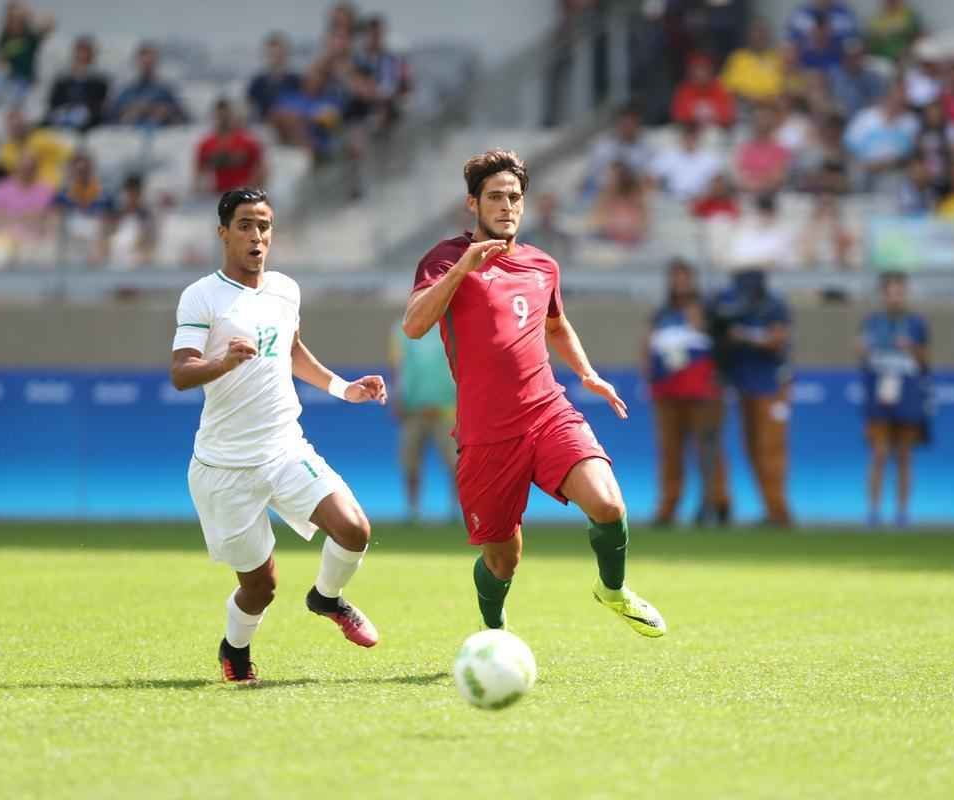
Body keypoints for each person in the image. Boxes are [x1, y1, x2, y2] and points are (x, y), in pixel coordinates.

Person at [402, 149, 666, 636]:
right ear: (473, 204)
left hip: (548, 413)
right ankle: (493, 631)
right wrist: (463, 267)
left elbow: (557, 325)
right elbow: (415, 324)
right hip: (486, 434)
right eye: (496, 197)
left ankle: (613, 590)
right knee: (503, 559)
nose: (507, 207)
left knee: (608, 506)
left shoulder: (542, 264)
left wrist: (587, 373)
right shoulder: (443, 259)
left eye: (515, 198)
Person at [171, 188, 386, 684]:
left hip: (284, 448)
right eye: (245, 225)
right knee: (261, 587)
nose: (256, 236)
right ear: (223, 232)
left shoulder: (285, 290)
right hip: (225, 467)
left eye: (264, 226)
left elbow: (291, 350)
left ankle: (326, 598)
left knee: (354, 528)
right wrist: (221, 362)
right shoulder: (202, 296)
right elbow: (181, 373)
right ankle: (235, 649)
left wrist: (341, 387)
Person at [645, 259, 728, 527]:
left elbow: (724, 346)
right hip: (668, 390)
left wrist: (704, 323)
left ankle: (716, 504)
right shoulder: (661, 314)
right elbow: (649, 346)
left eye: (684, 278)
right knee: (670, 452)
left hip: (703, 392)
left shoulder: (709, 312)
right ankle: (668, 506)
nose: (680, 283)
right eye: (675, 278)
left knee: (708, 449)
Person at [708, 269, 793, 526]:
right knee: (753, 450)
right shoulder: (729, 303)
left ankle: (779, 512)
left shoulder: (774, 305)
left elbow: (777, 340)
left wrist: (743, 335)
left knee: (770, 451)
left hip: (771, 387)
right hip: (743, 385)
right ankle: (771, 510)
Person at [858, 271, 930, 528]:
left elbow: (925, 360)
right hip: (879, 393)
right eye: (891, 292)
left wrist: (910, 347)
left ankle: (902, 512)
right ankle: (873, 511)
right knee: (878, 453)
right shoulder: (871, 322)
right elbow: (862, 356)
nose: (895, 297)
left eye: (900, 292)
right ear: (883, 294)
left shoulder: (916, 323)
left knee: (904, 455)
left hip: (907, 392)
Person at [389, 319, 457, 522]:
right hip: (413, 409)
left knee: (456, 464)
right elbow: (397, 367)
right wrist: (398, 398)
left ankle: (457, 511)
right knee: (410, 463)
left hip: (447, 410)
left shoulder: (453, 327)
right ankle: (413, 510)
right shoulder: (400, 330)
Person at [194, 99, 266, 197]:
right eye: (220, 116)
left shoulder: (248, 142)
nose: (223, 120)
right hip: (217, 195)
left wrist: (253, 190)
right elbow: (199, 174)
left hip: (244, 194)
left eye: (227, 116)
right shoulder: (206, 144)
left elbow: (261, 169)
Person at [109, 43, 188, 128]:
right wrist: (128, 113)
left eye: (151, 63)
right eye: (144, 63)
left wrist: (166, 113)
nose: (147, 67)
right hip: (129, 137)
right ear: (137, 63)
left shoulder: (165, 91)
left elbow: (184, 119)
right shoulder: (126, 92)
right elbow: (108, 120)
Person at [45, 36, 110, 132]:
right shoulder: (62, 79)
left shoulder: (99, 80)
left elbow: (99, 104)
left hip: (86, 119)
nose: (81, 56)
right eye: (79, 52)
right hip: (62, 115)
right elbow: (53, 101)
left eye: (85, 52)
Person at [0, 1, 54, 95]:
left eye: (18, 17)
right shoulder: (4, 38)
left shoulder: (30, 36)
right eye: (12, 17)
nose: (15, 21)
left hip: (28, 83)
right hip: (8, 84)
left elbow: (50, 23)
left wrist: (29, 14)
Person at [246, 34, 301, 123]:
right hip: (265, 126)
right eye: (272, 54)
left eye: (279, 54)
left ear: (286, 54)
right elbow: (249, 106)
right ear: (266, 55)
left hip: (290, 125)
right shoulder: (258, 82)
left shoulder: (296, 80)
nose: (276, 58)